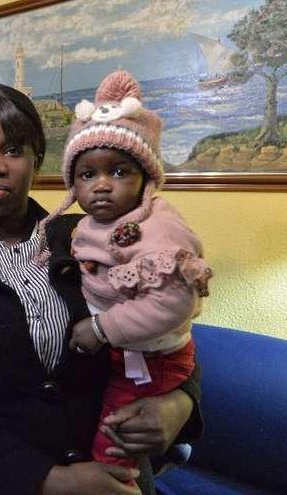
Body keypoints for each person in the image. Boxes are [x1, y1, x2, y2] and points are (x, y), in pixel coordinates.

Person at [0, 83, 202, 495]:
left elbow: (168, 331)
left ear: (39, 159)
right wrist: (47, 480)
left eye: (13, 150)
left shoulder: (94, 238)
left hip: (115, 477)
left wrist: (178, 405)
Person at [38, 70, 212, 480]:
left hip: (147, 360)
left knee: (115, 442)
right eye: (87, 175)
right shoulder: (76, 231)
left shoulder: (157, 228)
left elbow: (174, 306)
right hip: (125, 359)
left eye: (118, 172)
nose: (101, 186)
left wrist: (180, 403)